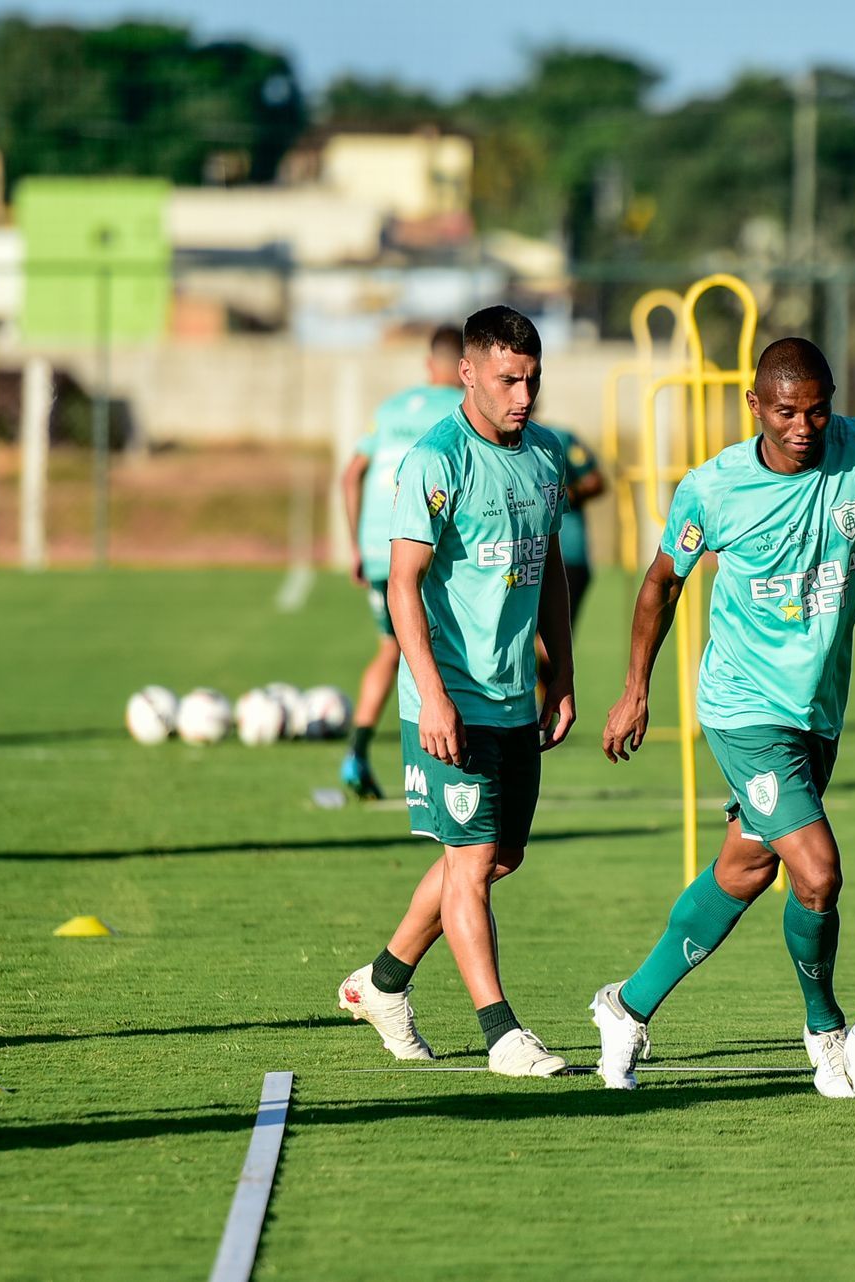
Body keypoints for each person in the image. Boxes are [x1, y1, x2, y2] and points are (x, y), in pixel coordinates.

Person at [591, 336, 855, 1095]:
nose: (804, 427)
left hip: (815, 710)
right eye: (787, 411)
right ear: (755, 405)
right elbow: (660, 584)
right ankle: (827, 1035)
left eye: (817, 410)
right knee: (816, 873)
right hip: (744, 709)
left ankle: (625, 1006)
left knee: (747, 867)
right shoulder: (713, 490)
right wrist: (635, 689)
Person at [336, 305, 579, 1077]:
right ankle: (502, 1033)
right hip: (447, 699)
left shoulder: (544, 456)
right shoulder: (437, 458)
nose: (524, 395)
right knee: (470, 863)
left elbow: (550, 575)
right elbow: (404, 583)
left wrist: (563, 673)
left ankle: (383, 982)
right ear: (466, 373)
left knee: (498, 857)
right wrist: (432, 694)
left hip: (513, 694)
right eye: (509, 379)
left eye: (533, 379)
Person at [338, 324, 466, 800]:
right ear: (464, 368)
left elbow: (351, 474)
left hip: (375, 549)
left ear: (428, 363)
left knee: (392, 649)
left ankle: (357, 749)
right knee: (437, 652)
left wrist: (355, 544)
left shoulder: (391, 409)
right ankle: (444, 773)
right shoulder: (456, 413)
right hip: (422, 546)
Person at [537, 428, 606, 691]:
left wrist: (561, 495)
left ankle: (548, 715)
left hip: (568, 558)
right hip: (517, 557)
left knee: (549, 644)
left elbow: (596, 480)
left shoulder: (558, 438)